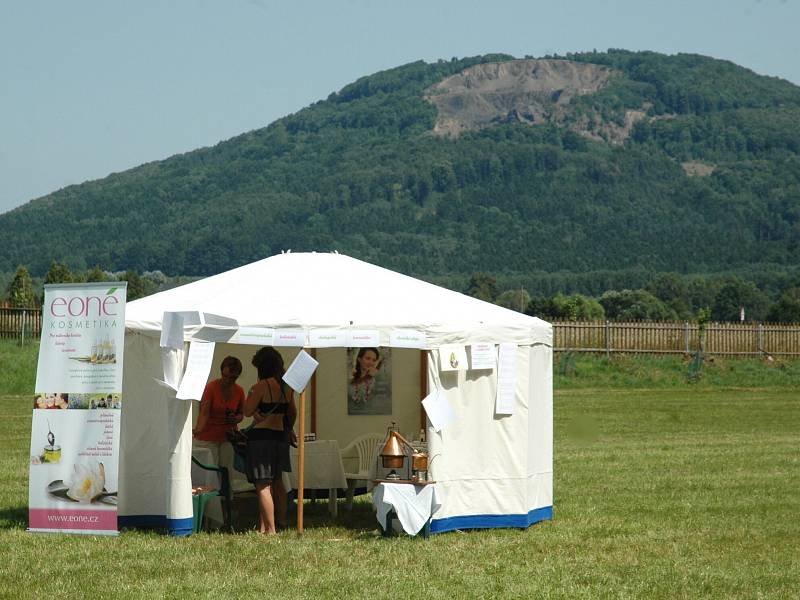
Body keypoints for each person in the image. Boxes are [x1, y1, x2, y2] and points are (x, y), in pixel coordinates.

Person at [244, 346, 297, 535]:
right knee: (277, 482)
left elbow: (247, 411)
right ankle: (273, 524)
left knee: (262, 485)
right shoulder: (286, 387)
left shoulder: (259, 387)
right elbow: (292, 413)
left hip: (261, 439)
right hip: (279, 436)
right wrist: (290, 430)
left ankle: (271, 530)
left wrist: (251, 397)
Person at [193, 356, 245, 471]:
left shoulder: (239, 390)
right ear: (221, 372)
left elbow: (241, 413)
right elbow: (204, 413)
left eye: (232, 378)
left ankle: (226, 489)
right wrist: (197, 431)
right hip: (208, 435)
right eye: (225, 376)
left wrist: (236, 419)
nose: (227, 380)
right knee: (211, 471)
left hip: (228, 437)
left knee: (227, 470)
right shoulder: (211, 388)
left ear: (237, 376)